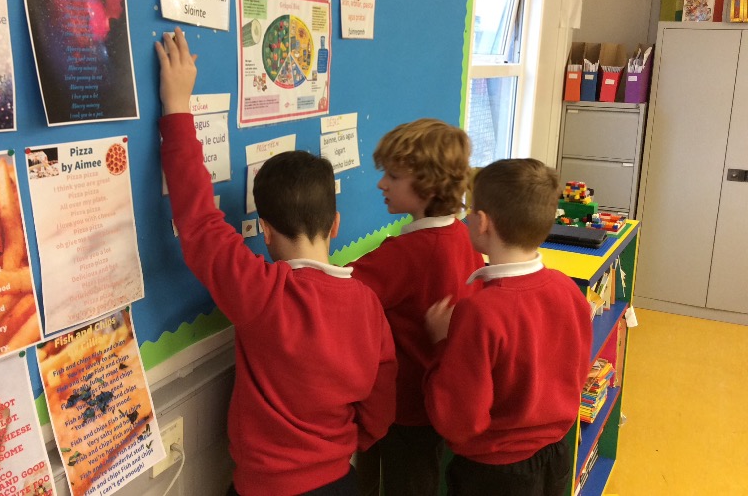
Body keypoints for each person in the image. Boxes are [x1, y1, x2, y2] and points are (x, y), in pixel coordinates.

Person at [155, 28, 397, 496]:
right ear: (336, 224)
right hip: (339, 480)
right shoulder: (368, 304)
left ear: (264, 231)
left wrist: (177, 106)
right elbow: (380, 400)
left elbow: (199, 221)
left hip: (266, 487)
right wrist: (350, 444)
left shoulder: (263, 293)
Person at [423, 158, 593, 496]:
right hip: (557, 456)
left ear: (483, 222)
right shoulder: (567, 289)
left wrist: (441, 343)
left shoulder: (479, 312)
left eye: (469, 211)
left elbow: (458, 420)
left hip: (494, 473)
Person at [350, 119, 485, 496]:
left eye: (393, 176)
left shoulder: (407, 253)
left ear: (429, 186)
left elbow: (333, 293)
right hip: (436, 399)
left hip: (403, 409)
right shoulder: (463, 236)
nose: (382, 184)